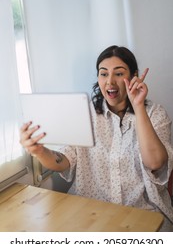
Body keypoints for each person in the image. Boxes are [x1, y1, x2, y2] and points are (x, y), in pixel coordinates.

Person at [20, 45, 173, 231]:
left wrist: (138, 105)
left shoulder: (155, 114)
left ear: (133, 76)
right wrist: (39, 151)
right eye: (103, 74)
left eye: (118, 73)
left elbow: (155, 163)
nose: (110, 82)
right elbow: (63, 161)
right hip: (90, 212)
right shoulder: (84, 114)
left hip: (145, 213)